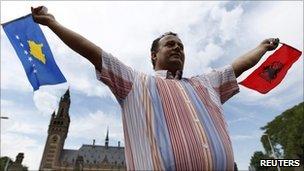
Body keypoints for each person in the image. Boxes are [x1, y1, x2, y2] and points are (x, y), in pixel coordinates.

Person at [31, 6, 279, 170]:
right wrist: (53, 24)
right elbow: (93, 52)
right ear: (153, 56)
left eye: (181, 46)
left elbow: (238, 66)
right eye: (170, 44)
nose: (177, 48)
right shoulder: (135, 82)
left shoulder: (206, 83)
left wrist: (262, 47)